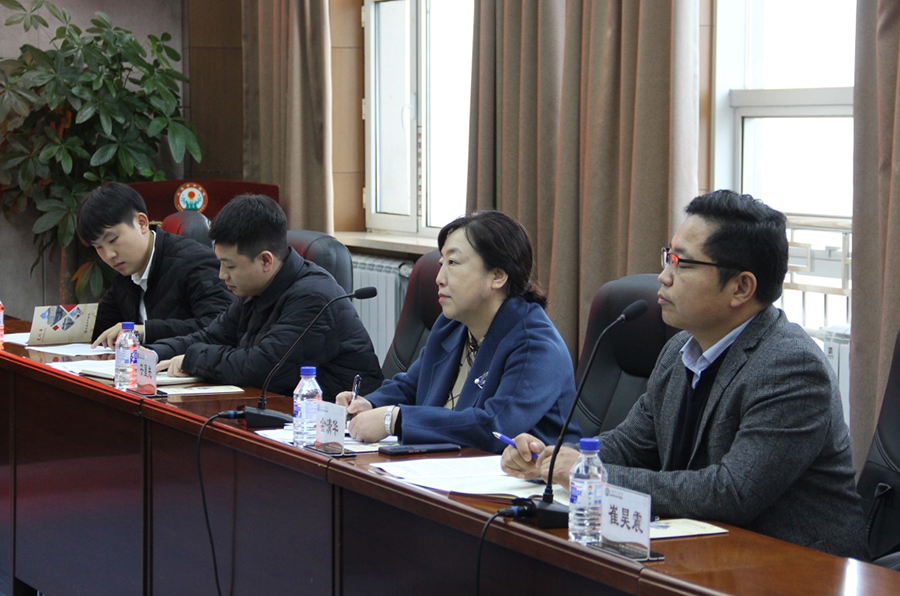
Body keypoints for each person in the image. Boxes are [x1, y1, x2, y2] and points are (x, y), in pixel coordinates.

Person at [501, 190, 868, 559]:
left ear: (741, 287)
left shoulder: (792, 367)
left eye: (682, 264)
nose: (663, 276)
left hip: (797, 566)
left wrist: (591, 474)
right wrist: (554, 459)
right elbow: (630, 446)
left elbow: (731, 492)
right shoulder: (679, 351)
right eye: (668, 257)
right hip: (706, 552)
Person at [339, 210, 579, 453]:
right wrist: (369, 404)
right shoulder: (451, 325)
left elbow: (494, 427)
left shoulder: (536, 346)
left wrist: (394, 420)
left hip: (517, 474)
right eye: (441, 264)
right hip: (442, 464)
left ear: (497, 276)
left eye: (453, 263)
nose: (439, 278)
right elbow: (411, 386)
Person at [149, 194, 383, 399]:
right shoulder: (256, 289)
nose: (222, 275)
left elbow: (263, 369)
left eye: (230, 266)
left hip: (341, 422)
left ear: (265, 261)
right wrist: (152, 353)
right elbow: (211, 336)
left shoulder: (314, 298)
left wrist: (193, 359)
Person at [77, 182, 235, 348]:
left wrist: (145, 331)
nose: (109, 255)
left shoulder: (194, 263)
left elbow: (222, 328)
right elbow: (98, 325)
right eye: (98, 247)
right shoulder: (126, 275)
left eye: (112, 240)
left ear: (142, 223)